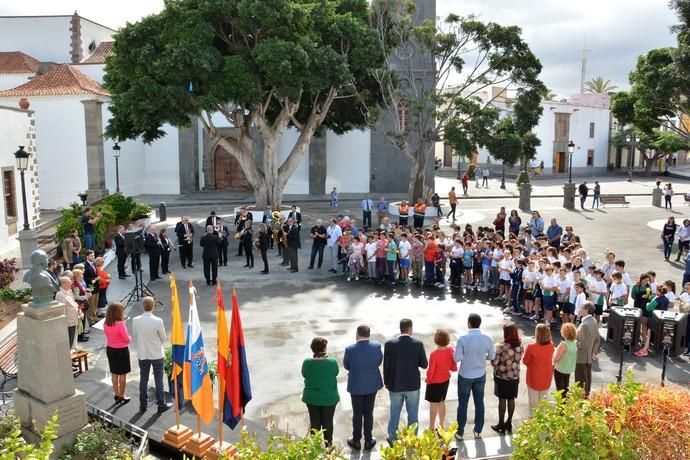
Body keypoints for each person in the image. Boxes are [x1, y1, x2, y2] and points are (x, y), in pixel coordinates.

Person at [383, 318, 428, 443]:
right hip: (413, 385)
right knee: (413, 414)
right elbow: (424, 364)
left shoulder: (389, 344)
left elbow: (386, 366)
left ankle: (392, 438)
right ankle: (412, 439)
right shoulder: (418, 344)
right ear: (410, 329)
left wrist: (386, 382)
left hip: (395, 385)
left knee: (395, 412)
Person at [454, 313, 496, 440]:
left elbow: (457, 358)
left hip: (465, 375)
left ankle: (460, 432)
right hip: (480, 374)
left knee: (462, 404)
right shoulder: (487, 338)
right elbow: (492, 356)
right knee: (479, 402)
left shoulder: (462, 338)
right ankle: (478, 430)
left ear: (469, 323)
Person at [343, 325, 383, 451]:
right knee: (368, 413)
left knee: (357, 413)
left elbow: (346, 365)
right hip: (372, 384)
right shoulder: (376, 346)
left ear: (357, 334)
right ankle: (368, 440)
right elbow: (378, 361)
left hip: (356, 385)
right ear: (369, 334)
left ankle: (356, 440)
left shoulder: (350, 349)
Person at [132, 296, 171, 414]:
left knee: (143, 379)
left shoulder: (135, 320)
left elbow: (135, 336)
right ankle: (161, 404)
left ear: (143, 306)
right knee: (159, 380)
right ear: (153, 306)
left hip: (143, 353)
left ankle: (143, 404)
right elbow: (164, 338)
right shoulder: (158, 321)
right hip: (156, 354)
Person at [302, 337, 339, 447]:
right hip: (329, 398)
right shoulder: (332, 362)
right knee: (328, 422)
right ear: (325, 349)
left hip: (312, 398)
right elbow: (336, 373)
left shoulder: (307, 363)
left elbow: (304, 374)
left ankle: (315, 447)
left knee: (315, 422)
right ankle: (328, 446)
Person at [490, 324, 522, 434]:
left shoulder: (501, 346)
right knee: (511, 399)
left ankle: (500, 424)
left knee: (502, 400)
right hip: (514, 376)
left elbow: (494, 362)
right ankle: (509, 422)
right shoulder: (519, 345)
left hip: (502, 377)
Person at [425, 329, 457, 431]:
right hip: (445, 380)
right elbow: (453, 367)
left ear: (436, 340)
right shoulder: (450, 350)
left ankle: (431, 427)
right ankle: (441, 425)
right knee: (442, 402)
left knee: (433, 404)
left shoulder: (434, 354)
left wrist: (428, 380)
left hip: (434, 382)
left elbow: (431, 371)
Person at [522, 324, 555, 414]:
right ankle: (542, 421)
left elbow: (525, 361)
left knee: (533, 403)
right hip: (546, 376)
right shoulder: (551, 345)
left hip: (534, 377)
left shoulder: (531, 347)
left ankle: (533, 424)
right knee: (543, 402)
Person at [103, 302, 132, 404]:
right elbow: (126, 339)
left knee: (114, 372)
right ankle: (122, 394)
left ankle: (116, 394)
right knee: (122, 374)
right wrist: (130, 338)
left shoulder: (105, 323)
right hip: (121, 351)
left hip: (110, 349)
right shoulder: (120, 325)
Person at [575, 301, 599, 397]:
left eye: (581, 308)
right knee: (587, 379)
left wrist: (573, 342)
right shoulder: (593, 321)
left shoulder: (585, 325)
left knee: (580, 381)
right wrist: (594, 351)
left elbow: (583, 345)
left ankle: (581, 401)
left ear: (586, 310)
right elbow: (597, 339)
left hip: (581, 358)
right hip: (588, 357)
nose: (579, 310)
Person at [553, 322, 577, 397]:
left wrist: (554, 352)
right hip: (569, 369)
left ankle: (562, 407)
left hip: (560, 369)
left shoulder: (563, 345)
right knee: (566, 387)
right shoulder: (575, 343)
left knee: (560, 390)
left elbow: (556, 359)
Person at [55, 276, 79, 352]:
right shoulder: (60, 295)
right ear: (63, 284)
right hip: (68, 323)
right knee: (69, 343)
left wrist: (79, 311)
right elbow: (61, 312)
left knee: (72, 342)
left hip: (73, 320)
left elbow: (73, 303)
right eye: (69, 282)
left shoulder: (68, 291)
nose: (71, 283)